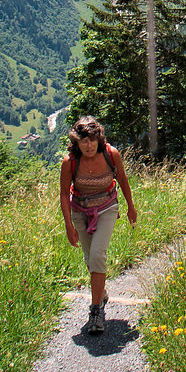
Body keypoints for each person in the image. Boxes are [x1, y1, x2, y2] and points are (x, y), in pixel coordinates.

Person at [60, 116, 137, 333]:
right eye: (83, 141)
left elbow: (122, 180)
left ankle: (95, 312)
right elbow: (64, 195)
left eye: (92, 140)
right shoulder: (70, 163)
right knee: (89, 257)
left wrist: (131, 207)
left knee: (96, 255)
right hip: (80, 211)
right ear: (77, 142)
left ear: (99, 139)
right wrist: (69, 226)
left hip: (106, 208)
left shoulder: (111, 155)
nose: (88, 145)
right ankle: (100, 291)